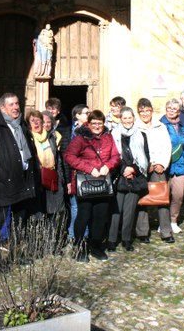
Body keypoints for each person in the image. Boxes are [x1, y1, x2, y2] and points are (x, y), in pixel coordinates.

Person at [0, 93, 39, 271]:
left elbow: (28, 150)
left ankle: (15, 254)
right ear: (2, 108)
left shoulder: (21, 125)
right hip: (4, 184)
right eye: (12, 104)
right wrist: (5, 176)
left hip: (23, 181)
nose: (16, 107)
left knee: (19, 221)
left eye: (17, 103)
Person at [64, 110, 120, 262]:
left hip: (102, 183)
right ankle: (80, 247)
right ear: (88, 124)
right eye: (93, 123)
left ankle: (95, 246)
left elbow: (115, 156)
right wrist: (89, 168)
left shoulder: (108, 138)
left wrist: (108, 165)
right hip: (85, 183)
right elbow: (69, 156)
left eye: (99, 123)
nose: (96, 126)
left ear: (103, 124)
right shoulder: (80, 139)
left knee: (100, 217)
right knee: (83, 216)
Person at [107, 106, 148, 252]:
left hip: (135, 177)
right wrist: (124, 169)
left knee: (129, 211)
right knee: (116, 211)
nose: (127, 120)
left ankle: (126, 239)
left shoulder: (141, 135)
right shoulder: (113, 134)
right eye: (124, 118)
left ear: (133, 118)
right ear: (120, 119)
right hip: (119, 176)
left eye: (130, 117)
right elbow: (111, 155)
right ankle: (112, 240)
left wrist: (134, 169)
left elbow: (145, 156)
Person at [134, 98, 174, 243]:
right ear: (138, 112)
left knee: (162, 199)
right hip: (142, 169)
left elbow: (166, 146)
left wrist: (162, 164)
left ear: (152, 110)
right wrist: (145, 165)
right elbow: (135, 150)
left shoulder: (160, 126)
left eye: (147, 110)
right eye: (142, 111)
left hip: (158, 167)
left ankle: (166, 231)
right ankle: (142, 232)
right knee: (142, 200)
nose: (145, 114)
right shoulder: (135, 127)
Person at [161, 97, 184, 234]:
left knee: (178, 195)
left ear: (179, 111)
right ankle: (163, 222)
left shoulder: (183, 127)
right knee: (163, 195)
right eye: (169, 108)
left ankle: (173, 221)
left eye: (175, 109)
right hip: (164, 166)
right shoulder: (160, 125)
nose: (172, 111)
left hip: (180, 167)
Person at [35, 110, 66, 224]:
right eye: (43, 122)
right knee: (39, 211)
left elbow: (59, 159)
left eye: (49, 122)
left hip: (53, 178)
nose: (46, 124)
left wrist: (61, 179)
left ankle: (52, 238)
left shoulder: (55, 137)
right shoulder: (33, 136)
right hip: (39, 179)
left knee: (55, 211)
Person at [66, 103, 89, 241]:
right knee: (75, 207)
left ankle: (85, 236)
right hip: (74, 173)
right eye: (86, 113)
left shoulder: (92, 130)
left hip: (87, 173)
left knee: (86, 207)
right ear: (77, 115)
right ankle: (72, 235)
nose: (89, 115)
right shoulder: (69, 131)